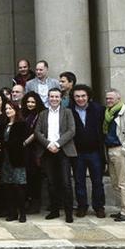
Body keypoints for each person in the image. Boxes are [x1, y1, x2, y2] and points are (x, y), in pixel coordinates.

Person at [33, 88, 76, 223]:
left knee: (65, 182)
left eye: (57, 97)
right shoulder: (43, 114)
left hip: (63, 150)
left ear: (61, 98)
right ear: (48, 98)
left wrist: (57, 144)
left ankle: (69, 213)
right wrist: (48, 145)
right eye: (51, 97)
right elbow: (37, 132)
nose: (54, 99)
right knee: (51, 183)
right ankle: (54, 210)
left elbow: (71, 130)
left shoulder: (67, 112)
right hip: (47, 152)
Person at [70, 84, 105, 218]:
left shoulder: (98, 109)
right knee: (79, 181)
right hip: (78, 152)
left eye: (83, 96)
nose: (80, 99)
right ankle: (82, 206)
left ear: (88, 96)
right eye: (77, 96)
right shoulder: (69, 111)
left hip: (95, 152)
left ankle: (99, 207)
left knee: (97, 181)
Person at [104, 89, 125, 222]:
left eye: (111, 98)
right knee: (115, 182)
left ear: (118, 99)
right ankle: (122, 209)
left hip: (119, 150)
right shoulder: (108, 113)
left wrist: (124, 150)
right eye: (107, 98)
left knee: (123, 182)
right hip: (109, 149)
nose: (108, 101)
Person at [0, 102, 29, 222]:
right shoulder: (3, 124)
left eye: (10, 108)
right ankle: (12, 212)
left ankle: (22, 213)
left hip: (17, 159)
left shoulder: (21, 124)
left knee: (18, 186)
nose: (8, 110)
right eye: (6, 109)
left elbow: (17, 142)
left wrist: (2, 144)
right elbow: (0, 138)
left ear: (16, 110)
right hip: (5, 159)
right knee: (8, 187)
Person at [21, 91, 44, 213]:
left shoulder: (40, 114)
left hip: (34, 149)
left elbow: (37, 132)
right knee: (26, 177)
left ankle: (36, 203)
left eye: (33, 102)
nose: (30, 104)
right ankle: (27, 201)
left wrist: (25, 142)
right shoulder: (24, 114)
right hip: (24, 151)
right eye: (28, 102)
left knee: (35, 177)